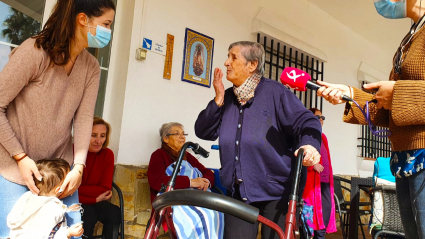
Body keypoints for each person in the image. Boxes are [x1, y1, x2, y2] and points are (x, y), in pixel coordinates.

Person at [0, 0, 116, 238]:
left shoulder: (91, 67)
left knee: (70, 233)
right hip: (14, 169)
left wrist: (79, 167)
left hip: (61, 174)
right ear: (83, 19)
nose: (109, 32)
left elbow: (84, 119)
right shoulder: (34, 51)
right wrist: (20, 157)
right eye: (106, 24)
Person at [316, 1, 425, 237]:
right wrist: (348, 94)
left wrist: (397, 93)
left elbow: (396, 97)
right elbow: (389, 109)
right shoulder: (409, 38)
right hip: (405, 159)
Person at [194, 41, 322, 239]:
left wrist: (309, 145)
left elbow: (307, 121)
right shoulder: (227, 97)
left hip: (276, 193)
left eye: (233, 57)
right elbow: (203, 131)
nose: (226, 63)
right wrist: (218, 99)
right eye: (228, 57)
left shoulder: (276, 92)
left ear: (252, 65)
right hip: (239, 192)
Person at [147, 122, 222, 238]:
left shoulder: (188, 156)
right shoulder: (158, 155)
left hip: (194, 198)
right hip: (174, 202)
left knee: (217, 212)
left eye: (183, 134)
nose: (182, 137)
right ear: (165, 139)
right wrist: (191, 182)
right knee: (205, 215)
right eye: (177, 134)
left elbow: (207, 172)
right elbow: (156, 181)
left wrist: (205, 181)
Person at [7, 158, 84, 239]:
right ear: (59, 190)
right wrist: (67, 233)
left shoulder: (26, 198)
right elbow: (46, 235)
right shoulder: (52, 209)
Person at [78, 117, 120, 239]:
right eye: (93, 135)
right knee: (88, 214)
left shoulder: (107, 154)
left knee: (113, 212)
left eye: (102, 136)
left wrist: (81, 189)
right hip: (74, 200)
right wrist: (94, 200)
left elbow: (105, 189)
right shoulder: (73, 151)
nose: (98, 140)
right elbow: (69, 190)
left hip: (92, 198)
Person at [302, 108, 336, 239]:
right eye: (317, 117)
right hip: (312, 184)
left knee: (325, 216)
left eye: (322, 118)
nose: (321, 120)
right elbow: (299, 156)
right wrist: (311, 165)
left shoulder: (323, 137)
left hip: (325, 182)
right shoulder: (305, 136)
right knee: (309, 218)